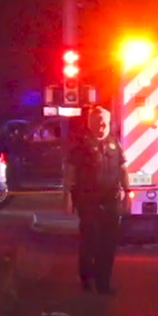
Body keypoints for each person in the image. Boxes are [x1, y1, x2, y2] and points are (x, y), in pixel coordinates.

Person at [63, 106, 131, 295]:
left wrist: (128, 192)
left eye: (104, 122)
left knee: (108, 243)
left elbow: (123, 170)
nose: (102, 125)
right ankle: (87, 280)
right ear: (89, 123)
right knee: (90, 241)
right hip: (88, 201)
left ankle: (103, 283)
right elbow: (70, 172)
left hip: (111, 201)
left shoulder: (114, 144)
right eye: (97, 121)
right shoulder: (81, 146)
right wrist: (67, 197)